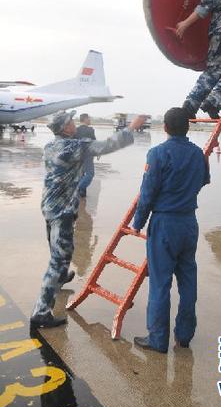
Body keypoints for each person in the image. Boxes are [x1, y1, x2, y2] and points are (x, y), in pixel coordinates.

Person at [30, 110, 147, 329]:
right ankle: (41, 312)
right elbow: (106, 146)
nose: (74, 123)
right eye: (71, 122)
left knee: (56, 251)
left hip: (49, 207)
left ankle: (62, 277)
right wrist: (131, 128)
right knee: (59, 260)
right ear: (66, 128)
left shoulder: (50, 146)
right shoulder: (73, 147)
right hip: (62, 213)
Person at [133, 107, 210, 353]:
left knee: (160, 283)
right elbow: (203, 181)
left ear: (165, 128)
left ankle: (157, 340)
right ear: (187, 127)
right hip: (188, 223)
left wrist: (138, 223)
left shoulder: (157, 153)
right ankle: (184, 335)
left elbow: (147, 193)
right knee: (188, 280)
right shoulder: (198, 154)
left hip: (165, 223)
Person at [76, 113, 96, 198]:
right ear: (85, 119)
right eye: (89, 118)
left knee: (81, 174)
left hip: (77, 155)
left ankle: (82, 195)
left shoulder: (76, 130)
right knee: (90, 174)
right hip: (88, 155)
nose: (90, 120)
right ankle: (77, 189)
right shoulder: (90, 130)